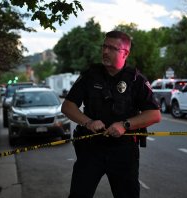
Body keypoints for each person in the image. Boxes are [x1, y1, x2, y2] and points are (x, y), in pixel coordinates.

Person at [61, 30, 161, 198]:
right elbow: (68, 106)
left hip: (123, 152)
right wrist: (88, 122)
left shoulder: (136, 80)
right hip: (91, 149)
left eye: (112, 48)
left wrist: (125, 125)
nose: (105, 51)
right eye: (104, 46)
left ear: (125, 53)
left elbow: (154, 115)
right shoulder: (90, 76)